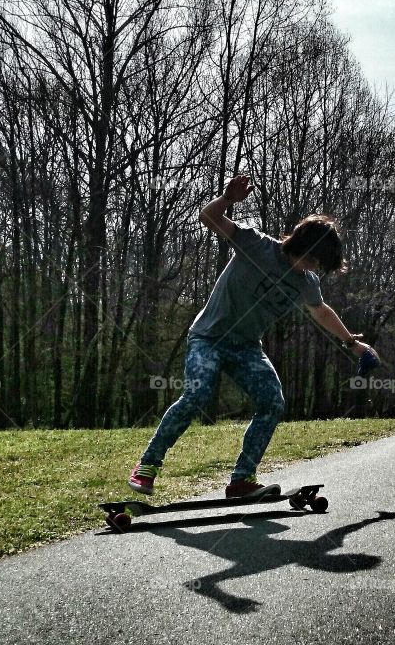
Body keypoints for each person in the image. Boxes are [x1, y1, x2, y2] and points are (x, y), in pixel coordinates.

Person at [128, 173, 378, 499]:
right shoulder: (255, 244)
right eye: (313, 260)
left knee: (273, 403)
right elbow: (209, 218)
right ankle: (147, 465)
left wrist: (353, 344)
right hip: (209, 338)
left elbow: (321, 312)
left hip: (246, 347)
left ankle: (242, 480)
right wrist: (227, 199)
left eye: (319, 265)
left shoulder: (307, 283)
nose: (313, 268)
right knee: (197, 396)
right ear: (301, 245)